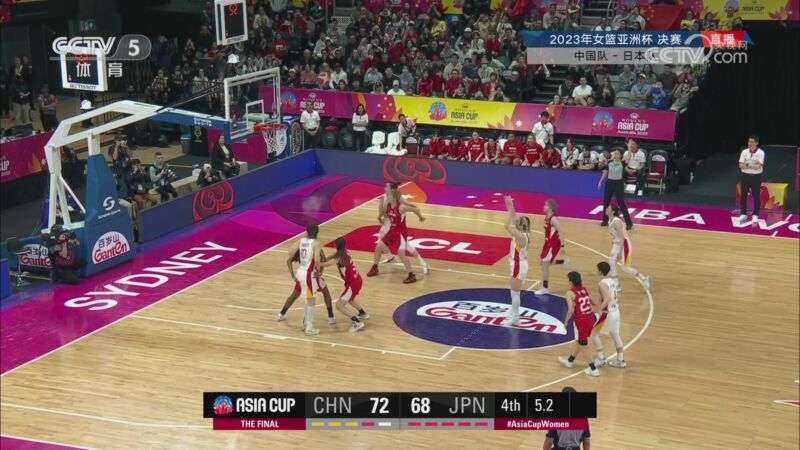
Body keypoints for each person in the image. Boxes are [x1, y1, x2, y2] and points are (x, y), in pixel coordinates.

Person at [366, 184, 428, 283]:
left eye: (389, 196)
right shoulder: (389, 205)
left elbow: (415, 209)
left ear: (394, 197)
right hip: (392, 230)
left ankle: (411, 275)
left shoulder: (401, 207)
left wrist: (420, 217)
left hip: (400, 233)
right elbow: (384, 213)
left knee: (401, 254)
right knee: (378, 247)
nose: (387, 197)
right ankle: (375, 267)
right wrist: (380, 218)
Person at [277, 247, 337, 325]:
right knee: (325, 293)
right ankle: (331, 317)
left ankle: (281, 314)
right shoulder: (318, 249)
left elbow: (288, 261)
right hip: (313, 277)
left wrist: (293, 276)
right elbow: (323, 261)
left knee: (294, 296)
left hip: (302, 277)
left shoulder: (302, 248)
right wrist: (320, 273)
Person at [320, 238, 369, 332]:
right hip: (357, 279)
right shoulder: (345, 252)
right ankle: (363, 314)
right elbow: (328, 258)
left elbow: (327, 264)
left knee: (339, 305)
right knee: (350, 299)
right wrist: (322, 259)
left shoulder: (339, 258)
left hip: (353, 284)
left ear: (335, 245)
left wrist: (316, 263)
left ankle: (357, 322)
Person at [558, 271, 600, 377]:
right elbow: (594, 303)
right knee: (579, 341)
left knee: (583, 345)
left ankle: (593, 369)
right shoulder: (585, 289)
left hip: (581, 321)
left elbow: (571, 310)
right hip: (590, 318)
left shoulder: (569, 293)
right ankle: (570, 361)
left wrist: (566, 321)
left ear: (571, 282)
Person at [286, 224, 323, 336]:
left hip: (300, 272)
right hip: (308, 274)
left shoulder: (301, 240)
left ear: (306, 231)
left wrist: (301, 239)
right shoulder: (316, 243)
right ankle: (309, 328)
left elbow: (290, 253)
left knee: (308, 298)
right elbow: (317, 259)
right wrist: (318, 270)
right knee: (311, 300)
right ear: (317, 232)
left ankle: (305, 323)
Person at [606, 204, 651, 289]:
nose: (606, 209)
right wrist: (613, 245)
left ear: (613, 211)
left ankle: (644, 278)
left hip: (624, 245)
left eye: (608, 208)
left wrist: (620, 251)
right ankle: (617, 285)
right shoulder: (610, 221)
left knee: (624, 268)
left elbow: (622, 237)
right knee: (611, 262)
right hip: (616, 244)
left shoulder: (616, 221)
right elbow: (614, 236)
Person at [592, 261, 627, 369]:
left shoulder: (602, 284)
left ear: (600, 271)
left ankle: (601, 359)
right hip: (616, 311)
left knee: (594, 334)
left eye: (597, 269)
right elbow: (617, 296)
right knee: (615, 334)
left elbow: (607, 299)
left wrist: (598, 309)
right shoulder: (612, 281)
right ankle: (620, 360)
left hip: (608, 313)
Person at [503, 195, 530, 325]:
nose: (516, 221)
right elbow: (514, 216)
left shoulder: (520, 236)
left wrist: (509, 211)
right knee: (513, 291)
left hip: (518, 265)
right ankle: (513, 312)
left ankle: (515, 318)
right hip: (518, 264)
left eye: (518, 222)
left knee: (515, 293)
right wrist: (510, 205)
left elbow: (506, 225)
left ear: (521, 225)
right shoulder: (523, 233)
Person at [534, 199, 569, 296]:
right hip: (548, 243)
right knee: (543, 263)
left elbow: (561, 231)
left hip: (552, 244)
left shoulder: (553, 219)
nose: (543, 206)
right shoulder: (546, 217)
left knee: (544, 265)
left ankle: (545, 288)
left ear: (549, 208)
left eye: (545, 205)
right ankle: (563, 262)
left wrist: (562, 246)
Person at [598, 148, 634, 229]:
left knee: (621, 203)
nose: (615, 155)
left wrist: (629, 148)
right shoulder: (609, 162)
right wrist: (600, 181)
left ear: (620, 156)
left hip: (618, 184)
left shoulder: (622, 163)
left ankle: (629, 223)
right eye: (615, 153)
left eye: (617, 153)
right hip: (609, 183)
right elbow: (605, 172)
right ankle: (605, 220)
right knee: (606, 202)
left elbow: (628, 157)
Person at [738, 134, 765, 220]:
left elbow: (758, 167)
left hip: (756, 177)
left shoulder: (761, 153)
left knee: (756, 196)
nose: (750, 143)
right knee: (743, 196)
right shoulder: (744, 152)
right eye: (749, 142)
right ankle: (743, 214)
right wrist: (752, 165)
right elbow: (740, 165)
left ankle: (755, 215)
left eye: (752, 142)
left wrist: (746, 164)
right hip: (745, 176)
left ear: (756, 143)